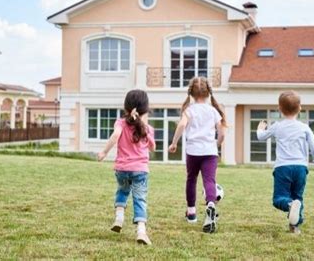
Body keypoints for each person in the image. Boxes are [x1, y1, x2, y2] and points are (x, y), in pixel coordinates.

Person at [257, 90, 314, 234]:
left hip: (282, 168)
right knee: (297, 197)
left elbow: (261, 137)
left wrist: (260, 129)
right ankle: (295, 227)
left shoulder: (277, 126)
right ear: (300, 108)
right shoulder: (304, 127)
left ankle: (290, 205)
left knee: (279, 199)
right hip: (300, 168)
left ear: (279, 109)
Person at [97, 89, 156, 245]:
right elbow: (153, 147)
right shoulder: (147, 128)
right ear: (146, 108)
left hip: (122, 169)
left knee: (122, 191)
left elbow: (116, 135)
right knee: (140, 199)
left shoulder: (120, 123)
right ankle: (141, 232)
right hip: (140, 170)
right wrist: (145, 131)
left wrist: (104, 152)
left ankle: (119, 218)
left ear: (126, 107)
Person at [169, 77, 226, 233]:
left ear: (192, 94)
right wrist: (216, 145)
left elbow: (181, 125)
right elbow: (221, 133)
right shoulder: (213, 111)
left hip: (193, 152)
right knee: (209, 180)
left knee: (191, 180)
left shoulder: (189, 110)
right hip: (210, 152)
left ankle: (192, 213)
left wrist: (174, 143)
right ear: (208, 93)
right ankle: (211, 204)